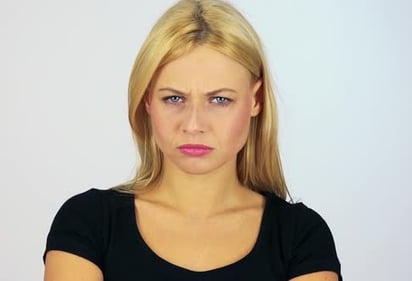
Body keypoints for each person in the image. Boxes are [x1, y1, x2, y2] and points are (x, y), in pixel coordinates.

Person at [43, 0, 342, 280]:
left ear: (256, 99)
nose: (194, 124)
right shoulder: (88, 223)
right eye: (174, 98)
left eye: (220, 100)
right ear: (147, 99)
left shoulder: (301, 237)